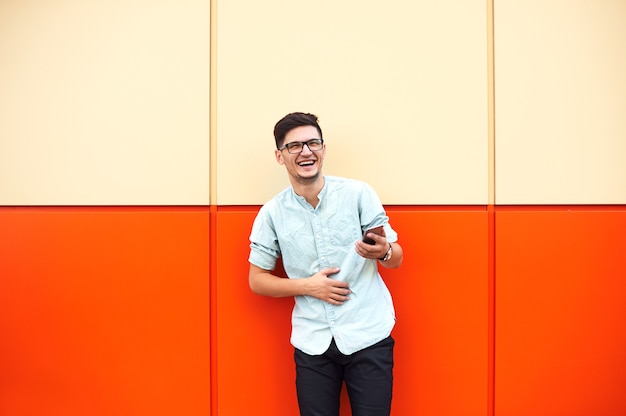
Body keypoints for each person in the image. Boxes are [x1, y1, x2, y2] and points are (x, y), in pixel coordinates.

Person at [248, 112, 404, 416]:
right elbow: (257, 280)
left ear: (323, 148)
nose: (306, 152)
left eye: (313, 143)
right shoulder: (271, 214)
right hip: (312, 342)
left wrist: (384, 252)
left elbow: (396, 258)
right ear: (280, 156)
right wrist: (310, 287)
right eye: (294, 146)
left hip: (368, 333)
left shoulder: (358, 193)